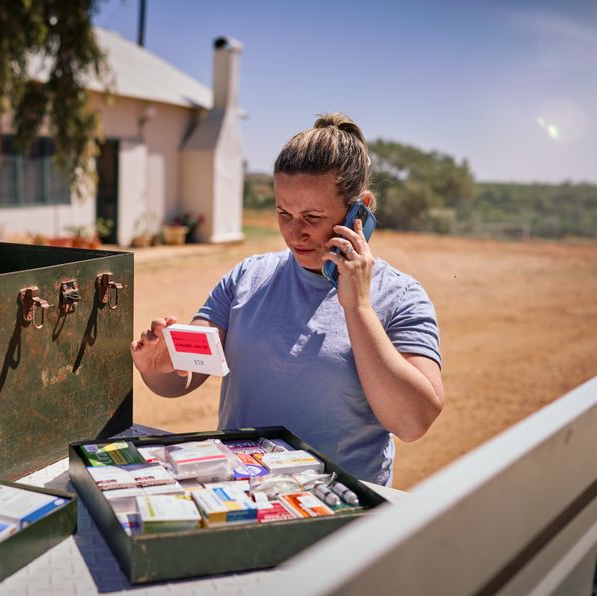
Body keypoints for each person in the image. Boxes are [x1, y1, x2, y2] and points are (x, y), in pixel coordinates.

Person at [131, 113, 444, 486]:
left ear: (360, 209)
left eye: (312, 216)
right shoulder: (247, 278)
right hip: (240, 499)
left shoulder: (402, 297)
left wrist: (358, 306)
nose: (295, 232)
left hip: (340, 516)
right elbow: (185, 375)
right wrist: (157, 365)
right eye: (283, 212)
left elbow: (412, 421)